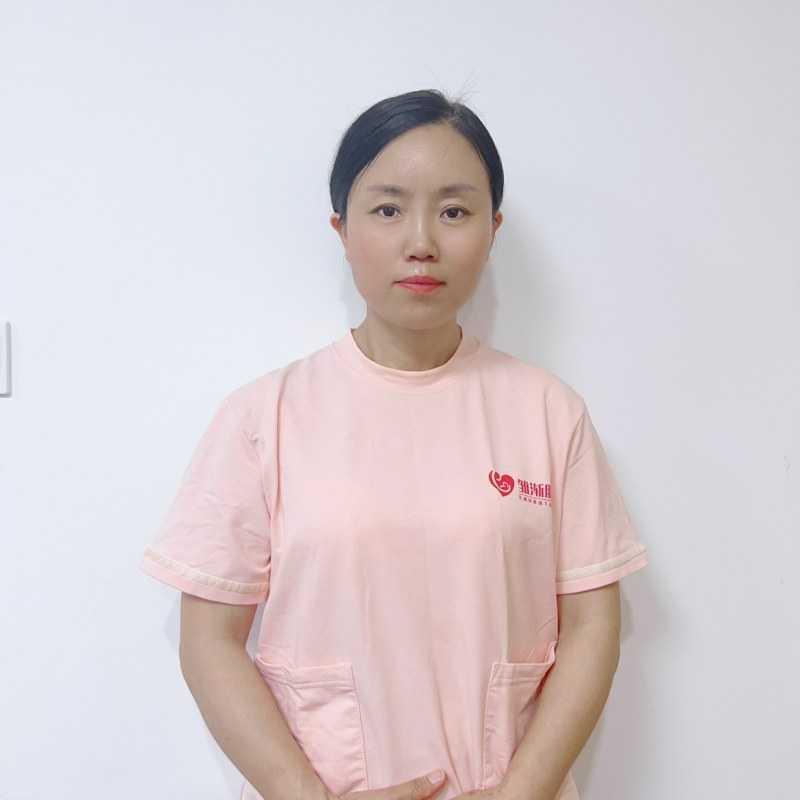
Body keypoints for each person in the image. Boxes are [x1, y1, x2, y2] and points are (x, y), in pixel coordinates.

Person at [140, 88, 649, 800]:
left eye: (454, 211)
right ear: (341, 229)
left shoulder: (548, 412)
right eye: (387, 209)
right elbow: (210, 641)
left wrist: (523, 791)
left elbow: (594, 626)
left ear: (493, 229)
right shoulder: (264, 418)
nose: (422, 241)